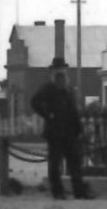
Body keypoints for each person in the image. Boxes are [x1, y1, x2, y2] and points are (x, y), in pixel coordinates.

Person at [28, 60, 94, 201]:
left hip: (70, 132)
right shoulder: (48, 88)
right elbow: (34, 101)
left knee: (74, 163)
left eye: (62, 70)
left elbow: (73, 111)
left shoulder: (68, 90)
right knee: (55, 164)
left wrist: (79, 129)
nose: (60, 73)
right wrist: (48, 114)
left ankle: (79, 191)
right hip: (55, 132)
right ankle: (58, 192)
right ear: (53, 72)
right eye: (58, 70)